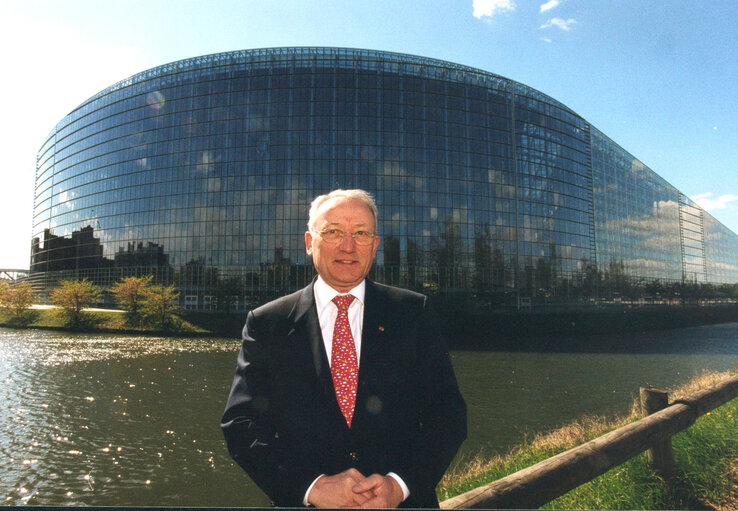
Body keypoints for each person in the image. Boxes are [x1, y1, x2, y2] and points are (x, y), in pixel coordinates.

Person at [221, 189, 467, 508]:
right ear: (310, 242)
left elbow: (448, 414)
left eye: (361, 233)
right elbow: (242, 424)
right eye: (333, 231)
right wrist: (312, 487)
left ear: (375, 246)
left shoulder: (413, 314)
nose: (348, 246)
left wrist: (400, 484)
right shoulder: (268, 323)